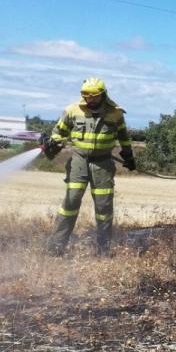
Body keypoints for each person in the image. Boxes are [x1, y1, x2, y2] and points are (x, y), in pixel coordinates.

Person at [46, 78, 135, 256]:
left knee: (104, 208)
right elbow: (59, 132)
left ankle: (103, 251)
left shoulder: (115, 114)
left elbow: (124, 137)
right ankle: (55, 248)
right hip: (79, 161)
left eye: (94, 96)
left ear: (103, 95)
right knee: (70, 202)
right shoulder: (72, 110)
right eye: (87, 96)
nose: (90, 99)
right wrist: (53, 143)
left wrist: (128, 156)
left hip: (103, 164)